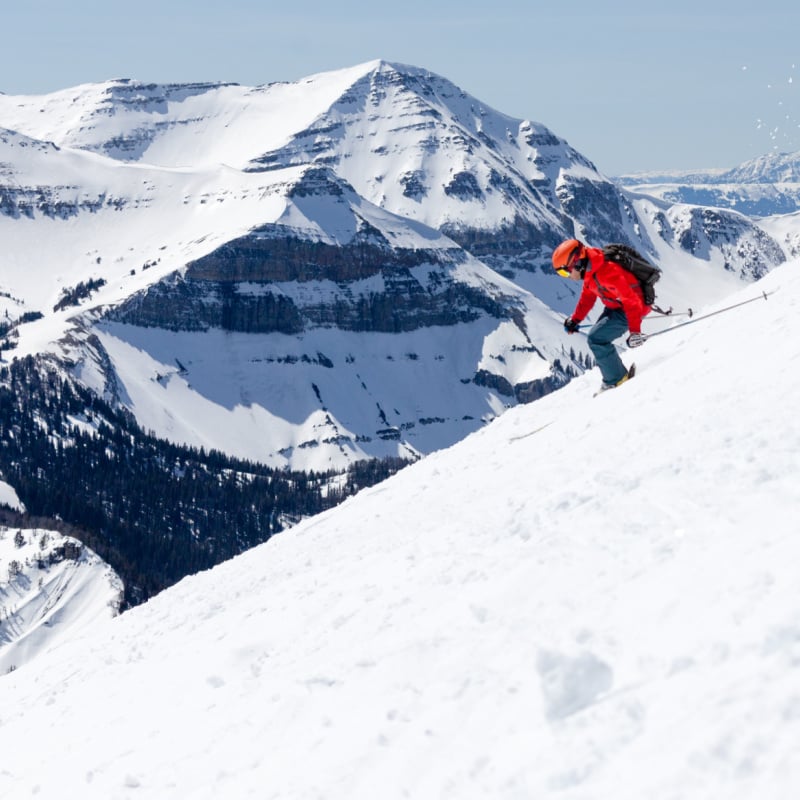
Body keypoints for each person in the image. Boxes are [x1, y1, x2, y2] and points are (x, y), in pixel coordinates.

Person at [551, 238, 651, 390]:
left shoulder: (608, 272)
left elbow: (631, 301)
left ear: (576, 263)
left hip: (632, 308)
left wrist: (635, 332)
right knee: (597, 337)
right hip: (615, 306)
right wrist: (575, 320)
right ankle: (615, 377)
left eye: (566, 271)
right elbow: (587, 297)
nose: (568, 276)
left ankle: (617, 380)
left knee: (596, 339)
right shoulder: (590, 269)